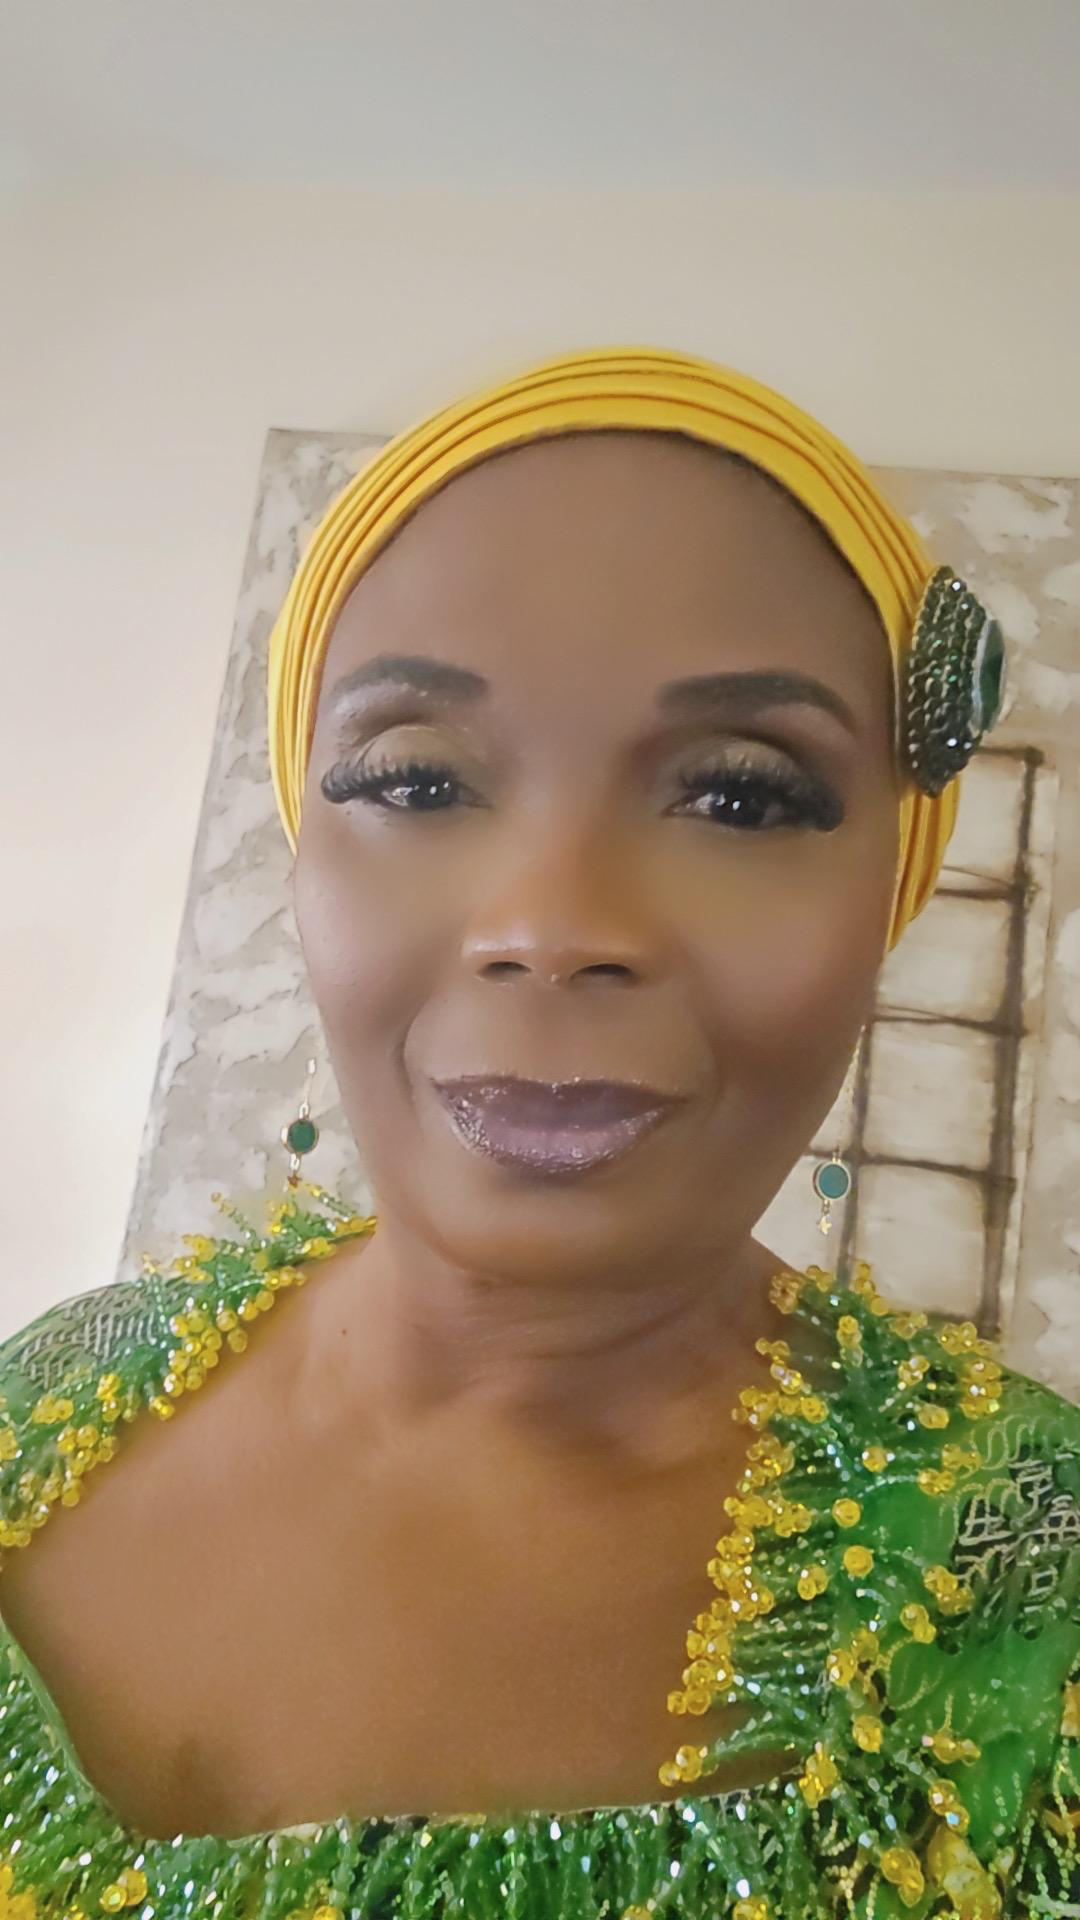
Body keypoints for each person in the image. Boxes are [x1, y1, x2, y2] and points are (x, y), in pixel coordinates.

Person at [0, 346, 1076, 1920]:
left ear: (890, 893)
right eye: (418, 780)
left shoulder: (1030, 1582)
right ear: (301, 851)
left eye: (741, 797)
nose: (553, 926)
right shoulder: (52, 1390)